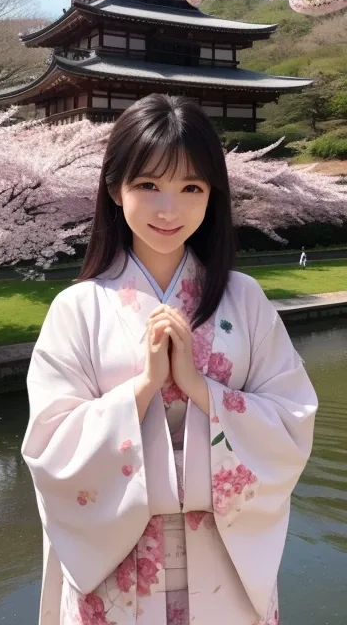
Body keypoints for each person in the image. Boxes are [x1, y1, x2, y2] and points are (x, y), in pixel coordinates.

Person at [21, 94, 317, 625]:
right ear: (115, 190)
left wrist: (200, 388)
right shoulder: (77, 308)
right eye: (148, 185)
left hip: (225, 557)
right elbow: (50, 445)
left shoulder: (243, 300)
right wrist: (143, 388)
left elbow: (293, 420)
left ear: (212, 197)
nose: (168, 209)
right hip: (116, 562)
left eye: (191, 188)